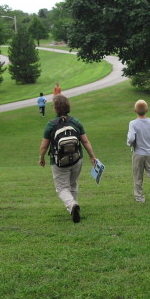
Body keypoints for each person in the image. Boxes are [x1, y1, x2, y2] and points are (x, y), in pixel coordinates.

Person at [39, 94, 97, 223]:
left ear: (55, 108)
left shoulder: (51, 125)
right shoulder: (76, 122)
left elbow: (44, 146)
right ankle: (73, 206)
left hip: (58, 162)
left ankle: (72, 205)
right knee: (73, 183)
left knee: (61, 188)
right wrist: (92, 156)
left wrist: (42, 157)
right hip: (77, 159)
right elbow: (85, 142)